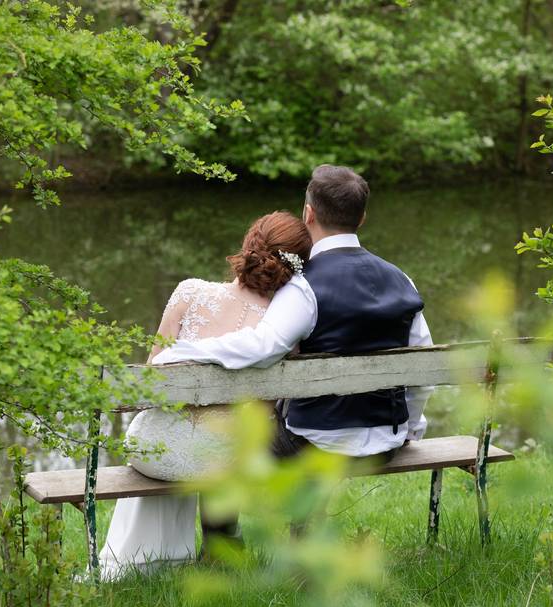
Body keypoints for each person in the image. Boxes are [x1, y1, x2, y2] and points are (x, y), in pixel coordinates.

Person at [153, 164, 433, 539]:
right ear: (362, 218)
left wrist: (183, 350)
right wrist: (409, 428)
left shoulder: (304, 287)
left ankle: (223, 554)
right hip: (386, 443)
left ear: (309, 213)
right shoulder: (403, 280)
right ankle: (304, 543)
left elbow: (261, 347)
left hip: (316, 442)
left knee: (227, 443)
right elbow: (421, 371)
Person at [98, 211, 312, 580]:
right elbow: (262, 413)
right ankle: (207, 552)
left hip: (152, 450)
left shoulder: (189, 291)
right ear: (294, 269)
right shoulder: (281, 328)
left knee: (160, 427)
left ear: (248, 247)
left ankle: (138, 562)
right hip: (219, 459)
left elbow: (152, 377)